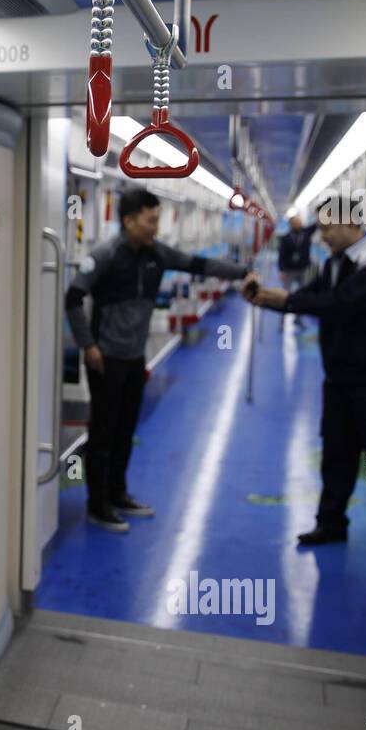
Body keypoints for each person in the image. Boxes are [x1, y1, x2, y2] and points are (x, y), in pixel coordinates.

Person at [66, 187, 250, 533]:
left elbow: (198, 264)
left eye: (157, 220)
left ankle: (118, 494)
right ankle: (97, 504)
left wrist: (241, 273)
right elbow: (73, 298)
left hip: (135, 358)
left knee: (125, 430)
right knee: (103, 433)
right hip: (106, 358)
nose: (156, 227)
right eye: (151, 220)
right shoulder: (105, 255)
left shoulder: (157, 254)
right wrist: (88, 346)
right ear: (129, 220)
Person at [241, 194, 366, 550]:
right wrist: (267, 298)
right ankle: (330, 523)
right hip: (339, 377)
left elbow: (341, 304)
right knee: (336, 452)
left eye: (329, 227)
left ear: (351, 223)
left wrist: (284, 300)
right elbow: (311, 295)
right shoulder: (334, 262)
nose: (323, 235)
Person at [276, 212, 317, 329]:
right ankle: (282, 322)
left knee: (301, 296)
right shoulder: (286, 238)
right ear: (292, 224)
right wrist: (281, 270)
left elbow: (316, 225)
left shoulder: (306, 232)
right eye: (298, 221)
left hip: (302, 270)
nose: (301, 223)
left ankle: (298, 319)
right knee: (285, 296)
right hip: (288, 270)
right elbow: (281, 255)